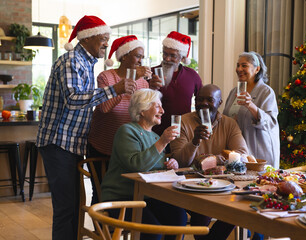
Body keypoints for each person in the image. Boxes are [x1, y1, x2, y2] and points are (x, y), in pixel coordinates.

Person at [36, 16, 133, 240]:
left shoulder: (86, 63)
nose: (107, 44)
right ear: (87, 38)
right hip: (58, 142)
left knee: (71, 205)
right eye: (103, 39)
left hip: (70, 144)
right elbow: (73, 99)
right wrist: (114, 90)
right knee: (65, 208)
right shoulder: (72, 61)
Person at [101, 89, 187, 240]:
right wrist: (163, 142)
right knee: (154, 231)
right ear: (142, 110)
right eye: (157, 106)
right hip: (122, 198)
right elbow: (137, 166)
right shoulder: (127, 131)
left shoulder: (155, 137)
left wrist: (169, 165)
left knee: (178, 217)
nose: (163, 110)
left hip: (147, 197)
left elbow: (153, 169)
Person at [170, 84, 249, 240]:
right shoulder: (181, 121)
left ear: (219, 103)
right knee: (202, 213)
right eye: (200, 99)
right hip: (188, 186)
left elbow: (242, 154)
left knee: (236, 211)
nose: (204, 103)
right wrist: (195, 141)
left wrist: (208, 159)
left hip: (221, 187)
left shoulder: (229, 124)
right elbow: (179, 160)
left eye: (209, 99)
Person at [87, 35, 152, 204]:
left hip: (128, 150)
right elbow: (104, 107)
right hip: (103, 148)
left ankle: (123, 227)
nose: (140, 61)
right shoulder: (106, 77)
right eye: (137, 56)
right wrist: (125, 85)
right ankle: (103, 230)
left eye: (142, 58)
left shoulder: (144, 84)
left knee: (126, 194)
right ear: (124, 56)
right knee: (101, 193)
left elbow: (143, 116)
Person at [223, 51, 280, 169]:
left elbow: (271, 123)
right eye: (238, 65)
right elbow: (226, 118)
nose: (239, 69)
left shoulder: (266, 92)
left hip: (258, 150)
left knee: (259, 185)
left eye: (244, 65)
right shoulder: (234, 92)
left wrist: (251, 106)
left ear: (257, 69)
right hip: (237, 152)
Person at [151, 31, 203, 143]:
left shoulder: (193, 75)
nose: (167, 58)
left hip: (183, 134)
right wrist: (149, 88)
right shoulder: (151, 73)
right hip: (154, 134)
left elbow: (201, 103)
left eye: (173, 55)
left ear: (183, 58)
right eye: (165, 54)